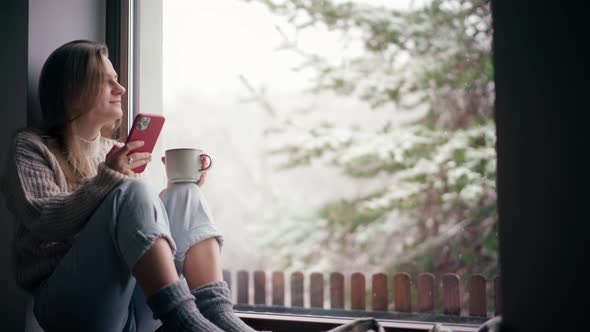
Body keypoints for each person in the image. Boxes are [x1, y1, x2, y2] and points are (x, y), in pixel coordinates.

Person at [0, 40, 255, 332]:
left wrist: (171, 194)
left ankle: (216, 313)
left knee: (184, 193)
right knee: (132, 190)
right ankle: (186, 321)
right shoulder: (31, 147)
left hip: (132, 302)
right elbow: (45, 221)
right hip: (68, 306)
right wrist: (110, 176)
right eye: (106, 83)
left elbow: (137, 224)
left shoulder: (117, 150)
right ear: (73, 92)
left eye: (118, 81)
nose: (120, 90)